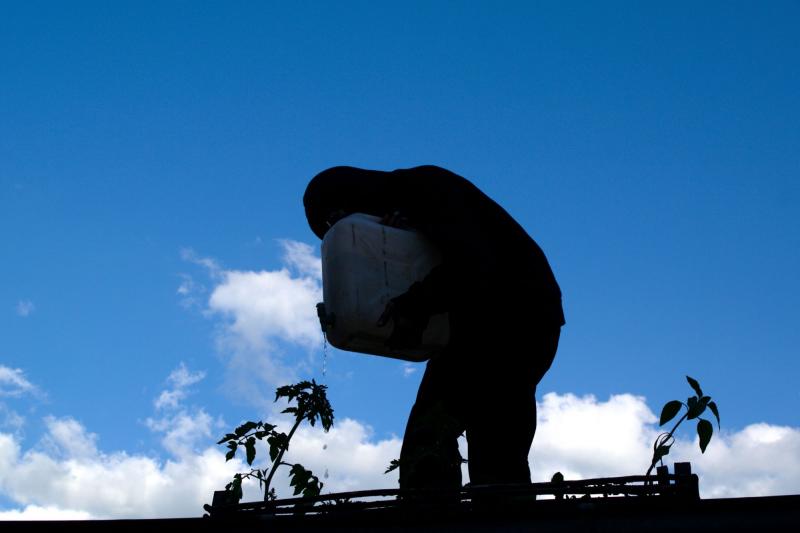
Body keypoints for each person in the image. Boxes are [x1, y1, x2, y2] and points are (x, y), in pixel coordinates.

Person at [303, 165, 564, 491]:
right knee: (453, 435)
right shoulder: (407, 210)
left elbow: (474, 265)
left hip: (515, 320)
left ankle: (444, 523)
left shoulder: (426, 188)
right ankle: (463, 517)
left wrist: (414, 305)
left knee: (466, 437)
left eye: (335, 221)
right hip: (494, 324)